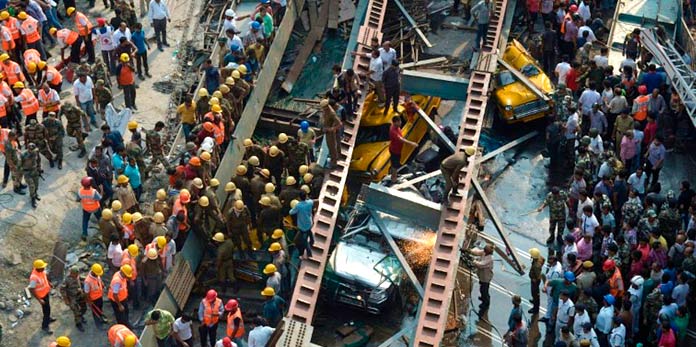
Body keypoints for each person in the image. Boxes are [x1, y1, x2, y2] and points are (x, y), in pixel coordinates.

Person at [388, 116, 418, 184]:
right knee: (395, 166)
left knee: (395, 164)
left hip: (397, 149)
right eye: (398, 122)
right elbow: (401, 140)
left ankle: (393, 175)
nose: (400, 123)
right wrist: (412, 143)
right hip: (395, 151)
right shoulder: (393, 131)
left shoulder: (396, 127)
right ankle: (393, 180)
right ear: (394, 122)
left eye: (400, 121)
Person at [29, 259, 53, 334]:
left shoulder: (42, 271)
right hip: (41, 296)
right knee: (46, 311)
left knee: (48, 308)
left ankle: (48, 318)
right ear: (38, 268)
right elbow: (31, 289)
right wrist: (39, 300)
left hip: (46, 292)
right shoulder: (34, 277)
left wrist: (49, 283)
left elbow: (45, 278)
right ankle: (45, 326)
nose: (44, 268)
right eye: (42, 267)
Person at [467, 243, 494, 312]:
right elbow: (478, 252)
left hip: (486, 277)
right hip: (482, 276)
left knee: (484, 290)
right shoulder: (484, 253)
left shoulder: (490, 259)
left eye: (485, 251)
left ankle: (485, 303)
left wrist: (473, 260)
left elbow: (481, 265)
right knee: (482, 287)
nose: (484, 251)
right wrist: (470, 251)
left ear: (488, 252)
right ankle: (483, 298)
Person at [60, 266, 87, 332]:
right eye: (75, 274)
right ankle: (78, 324)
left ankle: (81, 316)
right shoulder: (66, 280)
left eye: (77, 274)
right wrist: (66, 299)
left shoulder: (77, 276)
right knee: (76, 312)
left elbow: (81, 278)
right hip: (72, 298)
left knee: (84, 308)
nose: (76, 275)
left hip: (80, 295)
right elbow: (62, 290)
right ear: (71, 273)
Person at [289, 191, 315, 259]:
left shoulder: (298, 206)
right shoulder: (310, 202)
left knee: (304, 241)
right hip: (309, 222)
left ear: (299, 198)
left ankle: (309, 254)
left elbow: (291, 212)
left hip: (303, 226)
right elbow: (313, 201)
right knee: (309, 231)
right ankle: (312, 241)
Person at [84, 263, 108, 328]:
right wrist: (89, 301)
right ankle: (98, 325)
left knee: (100, 309)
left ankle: (101, 319)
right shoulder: (88, 281)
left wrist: (102, 284)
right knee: (95, 313)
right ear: (93, 272)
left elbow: (99, 280)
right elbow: (86, 293)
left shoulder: (97, 275)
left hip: (100, 297)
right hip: (94, 300)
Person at [319, 99, 341, 168]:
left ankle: (334, 162)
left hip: (330, 133)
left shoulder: (332, 113)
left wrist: (331, 129)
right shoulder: (326, 110)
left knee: (332, 147)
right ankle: (333, 158)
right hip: (326, 129)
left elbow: (339, 124)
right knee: (330, 146)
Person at [21, 143, 41, 208]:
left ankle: (35, 193)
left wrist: (39, 167)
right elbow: (19, 164)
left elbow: (38, 159)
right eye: (32, 150)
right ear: (29, 149)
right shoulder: (23, 155)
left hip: (34, 170)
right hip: (27, 172)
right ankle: (33, 198)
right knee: (31, 185)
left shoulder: (35, 151)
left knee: (36, 184)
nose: (34, 151)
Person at [528, 248, 545, 314]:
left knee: (535, 294)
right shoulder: (539, 258)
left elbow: (538, 276)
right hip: (534, 279)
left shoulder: (536, 266)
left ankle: (535, 309)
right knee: (534, 293)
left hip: (535, 281)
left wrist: (534, 279)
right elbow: (543, 259)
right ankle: (534, 300)